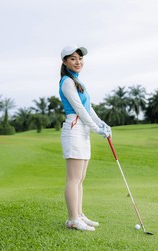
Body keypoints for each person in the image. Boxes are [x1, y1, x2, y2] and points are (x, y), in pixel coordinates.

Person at [59, 45, 111, 231]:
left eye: (80, 58)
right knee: (73, 178)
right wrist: (96, 128)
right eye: (73, 58)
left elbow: (89, 108)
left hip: (82, 131)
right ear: (65, 62)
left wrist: (101, 122)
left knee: (81, 178)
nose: (78, 61)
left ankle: (79, 214)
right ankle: (72, 219)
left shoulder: (77, 82)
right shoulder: (67, 82)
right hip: (74, 130)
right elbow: (79, 110)